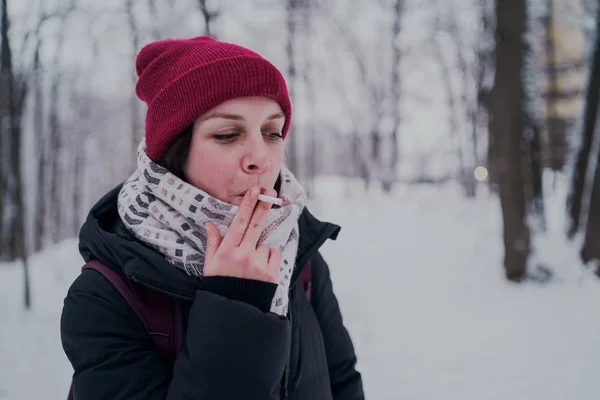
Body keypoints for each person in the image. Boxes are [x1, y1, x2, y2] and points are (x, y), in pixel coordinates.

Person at [60, 35, 365, 400]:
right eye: (227, 134)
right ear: (175, 152)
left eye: (272, 132)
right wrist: (237, 303)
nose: (261, 158)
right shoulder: (104, 297)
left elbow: (342, 380)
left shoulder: (298, 249)